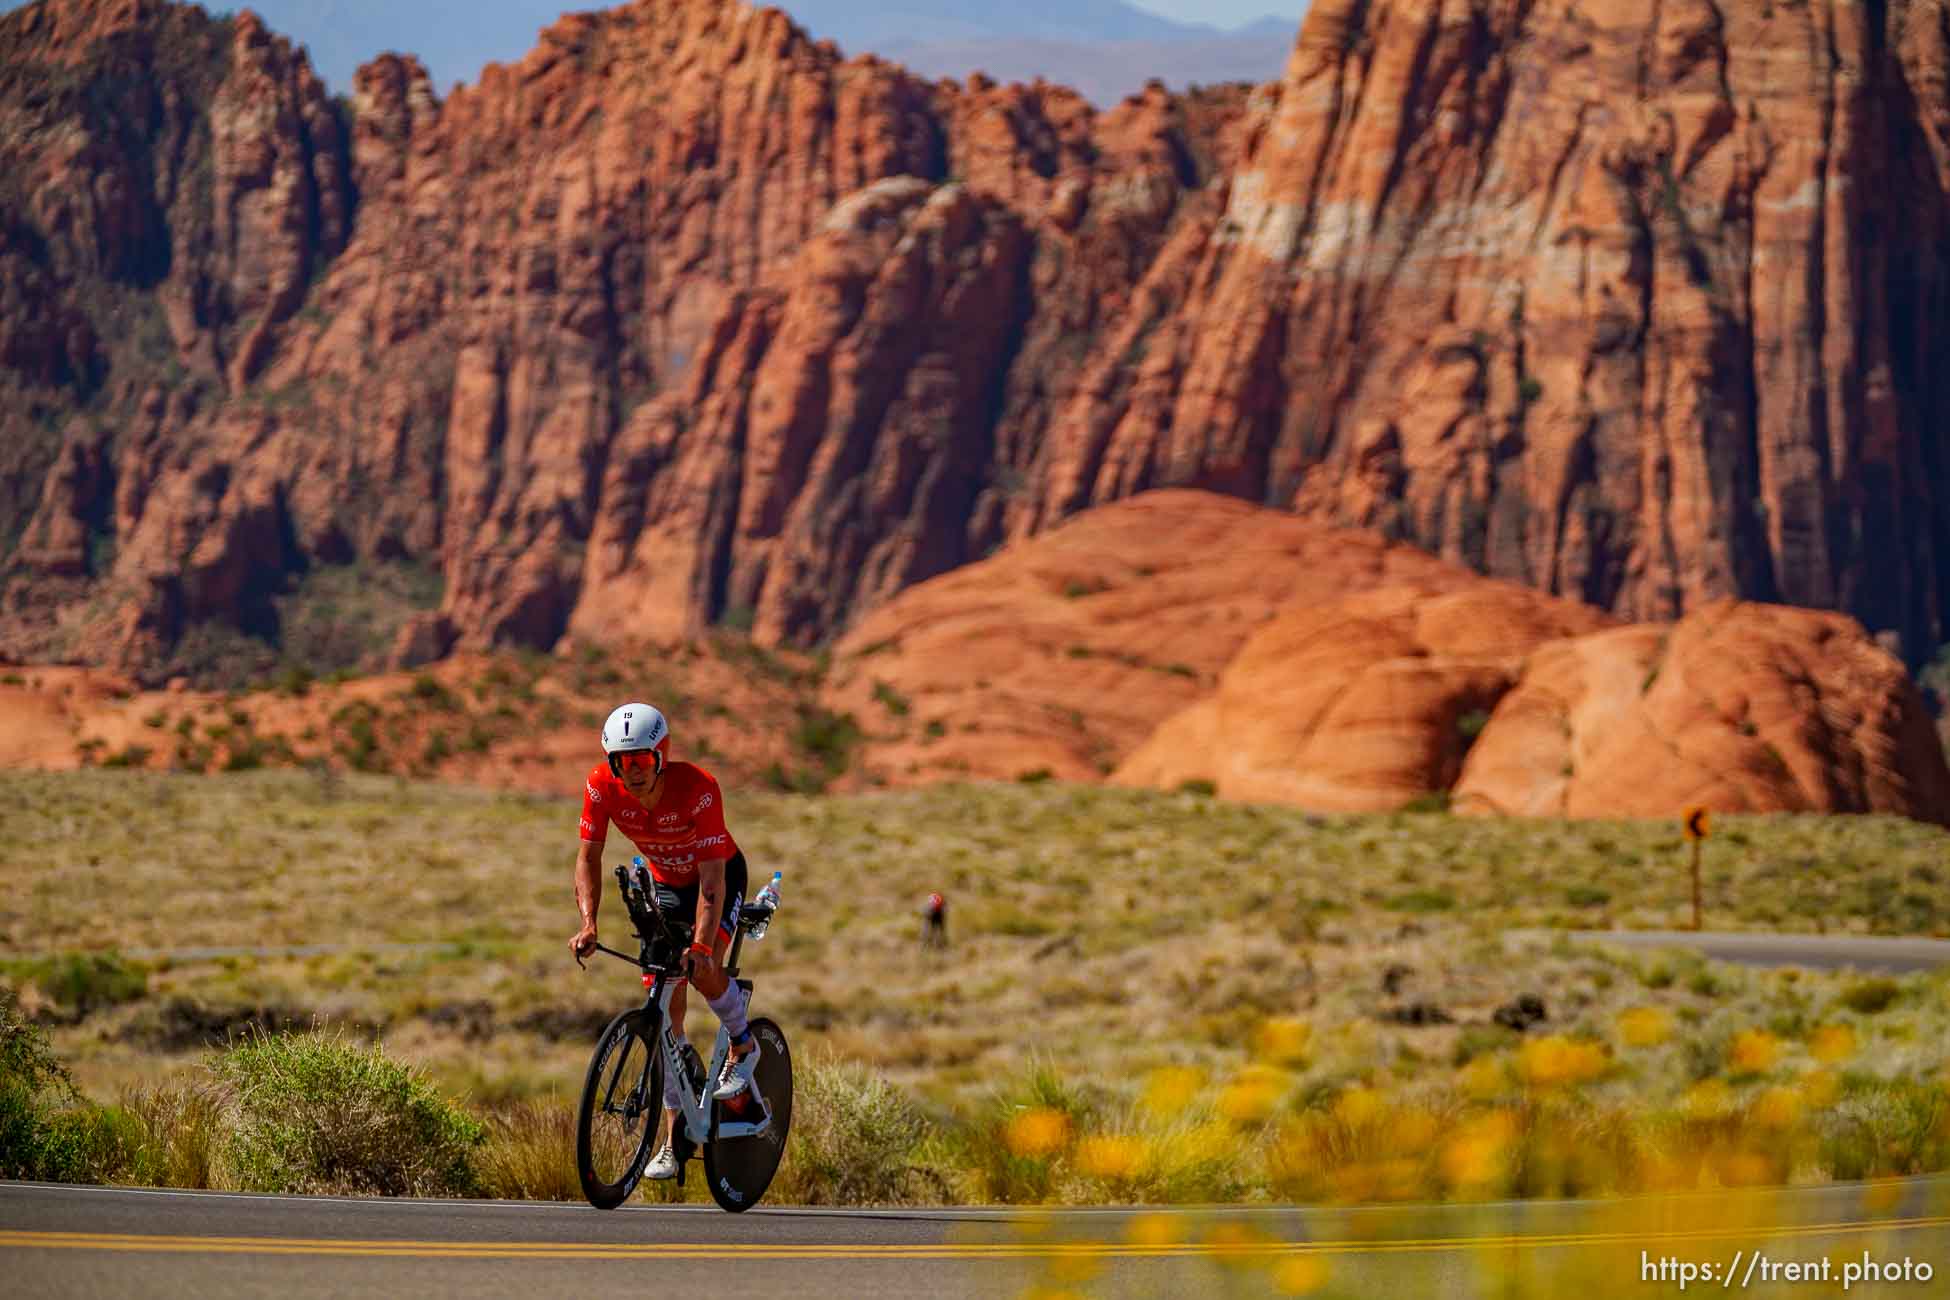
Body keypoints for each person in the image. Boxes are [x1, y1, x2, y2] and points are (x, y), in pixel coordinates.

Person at [569, 701, 761, 1181]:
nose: (631, 771)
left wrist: (699, 946)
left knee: (702, 971)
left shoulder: (698, 789)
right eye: (621, 761)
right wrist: (589, 923)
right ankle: (673, 1139)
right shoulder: (600, 786)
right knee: (662, 1004)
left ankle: (743, 1043)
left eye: (641, 760)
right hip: (667, 888)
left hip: (715, 879)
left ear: (661, 755)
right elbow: (587, 858)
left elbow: (713, 878)